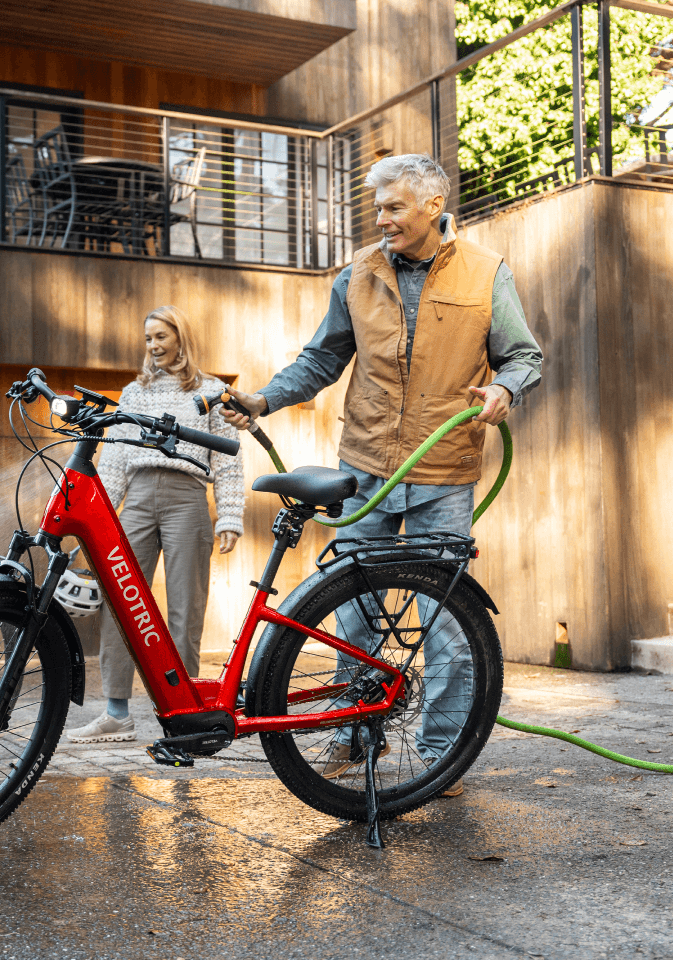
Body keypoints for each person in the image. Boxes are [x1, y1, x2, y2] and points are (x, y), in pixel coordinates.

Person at [221, 154, 543, 797]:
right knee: (353, 609)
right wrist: (262, 400)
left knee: (447, 619)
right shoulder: (357, 276)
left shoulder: (486, 274)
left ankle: (440, 751)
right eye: (378, 208)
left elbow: (523, 355)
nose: (382, 219)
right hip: (365, 466)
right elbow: (321, 360)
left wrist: (506, 388)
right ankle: (357, 732)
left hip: (444, 469)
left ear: (431, 206)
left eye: (394, 207)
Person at [66, 306, 245, 743]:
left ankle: (182, 714)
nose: (153, 346)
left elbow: (227, 459)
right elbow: (114, 462)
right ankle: (116, 712)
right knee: (122, 603)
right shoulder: (132, 393)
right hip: (139, 500)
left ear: (181, 337)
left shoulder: (211, 391)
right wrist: (95, 520)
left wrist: (231, 515)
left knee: (186, 609)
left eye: (161, 336)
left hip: (187, 499)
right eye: (148, 338)